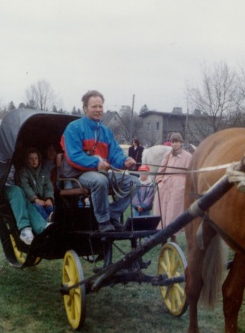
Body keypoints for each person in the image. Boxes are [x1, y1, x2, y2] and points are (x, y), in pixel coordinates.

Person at [60, 90, 139, 233]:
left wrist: (125, 160)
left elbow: (115, 155)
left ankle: (112, 215)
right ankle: (103, 222)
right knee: (100, 181)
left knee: (134, 182)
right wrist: (96, 163)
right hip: (78, 174)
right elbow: (74, 156)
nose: (98, 110)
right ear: (85, 109)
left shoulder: (106, 131)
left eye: (100, 106)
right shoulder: (73, 128)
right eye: (94, 107)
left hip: (100, 173)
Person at [156, 132, 192, 240]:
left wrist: (183, 186)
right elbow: (160, 171)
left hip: (178, 189)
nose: (174, 144)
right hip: (165, 187)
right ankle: (162, 237)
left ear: (181, 142)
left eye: (176, 142)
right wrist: (160, 182)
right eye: (172, 142)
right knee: (162, 212)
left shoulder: (188, 156)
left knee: (174, 212)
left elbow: (190, 175)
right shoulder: (168, 155)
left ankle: (173, 237)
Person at [4, 165, 48, 245]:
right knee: (16, 190)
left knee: (24, 198)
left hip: (14, 188)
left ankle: (42, 227)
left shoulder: (9, 156)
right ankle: (24, 228)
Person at [18, 148, 55, 222]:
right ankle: (47, 221)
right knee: (37, 206)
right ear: (27, 160)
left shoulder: (42, 172)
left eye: (36, 158)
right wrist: (36, 199)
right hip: (31, 201)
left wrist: (49, 198)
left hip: (42, 199)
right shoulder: (24, 172)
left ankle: (53, 221)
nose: (34, 161)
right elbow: (25, 187)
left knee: (50, 207)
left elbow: (48, 186)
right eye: (31, 159)